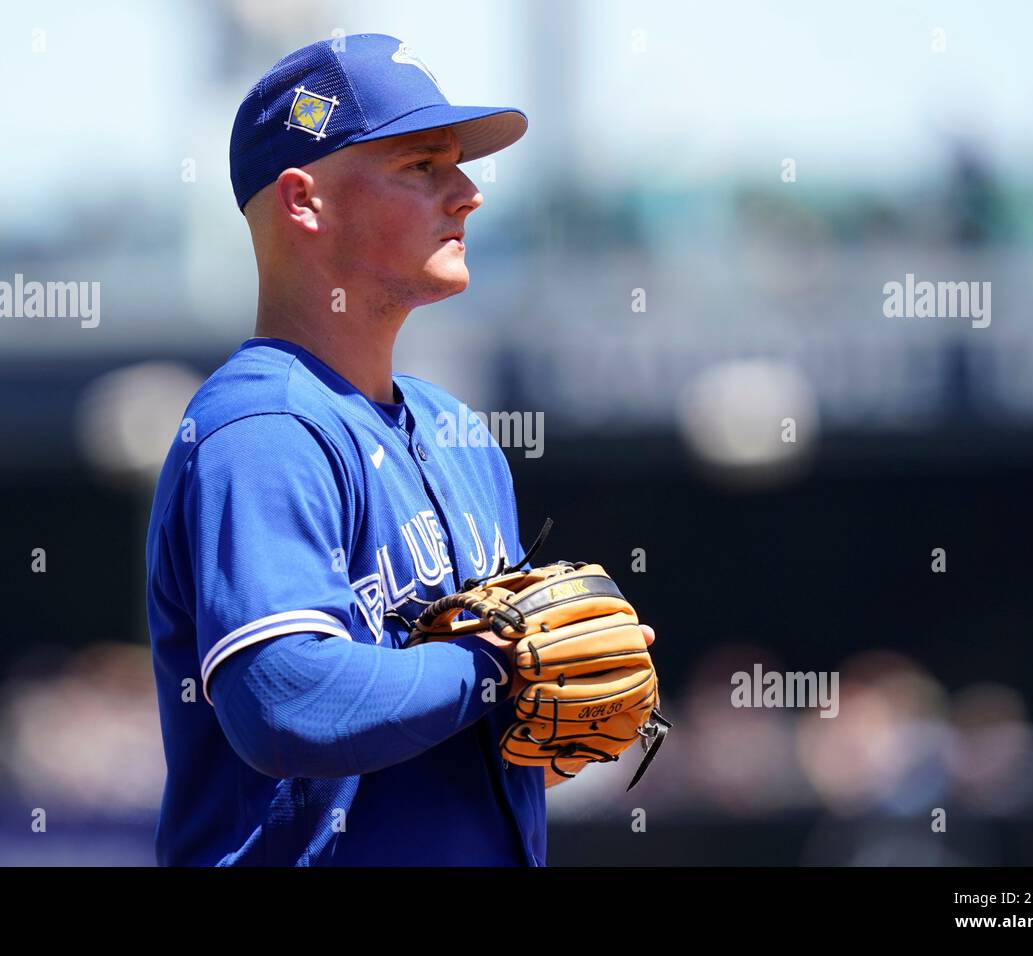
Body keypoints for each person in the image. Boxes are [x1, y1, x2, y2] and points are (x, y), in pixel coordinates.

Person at [145, 33, 653, 866]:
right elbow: (285, 701)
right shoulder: (262, 433)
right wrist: (498, 664)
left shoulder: (457, 433)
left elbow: (440, 744)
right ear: (305, 202)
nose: (468, 194)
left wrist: (545, 708)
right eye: (423, 166)